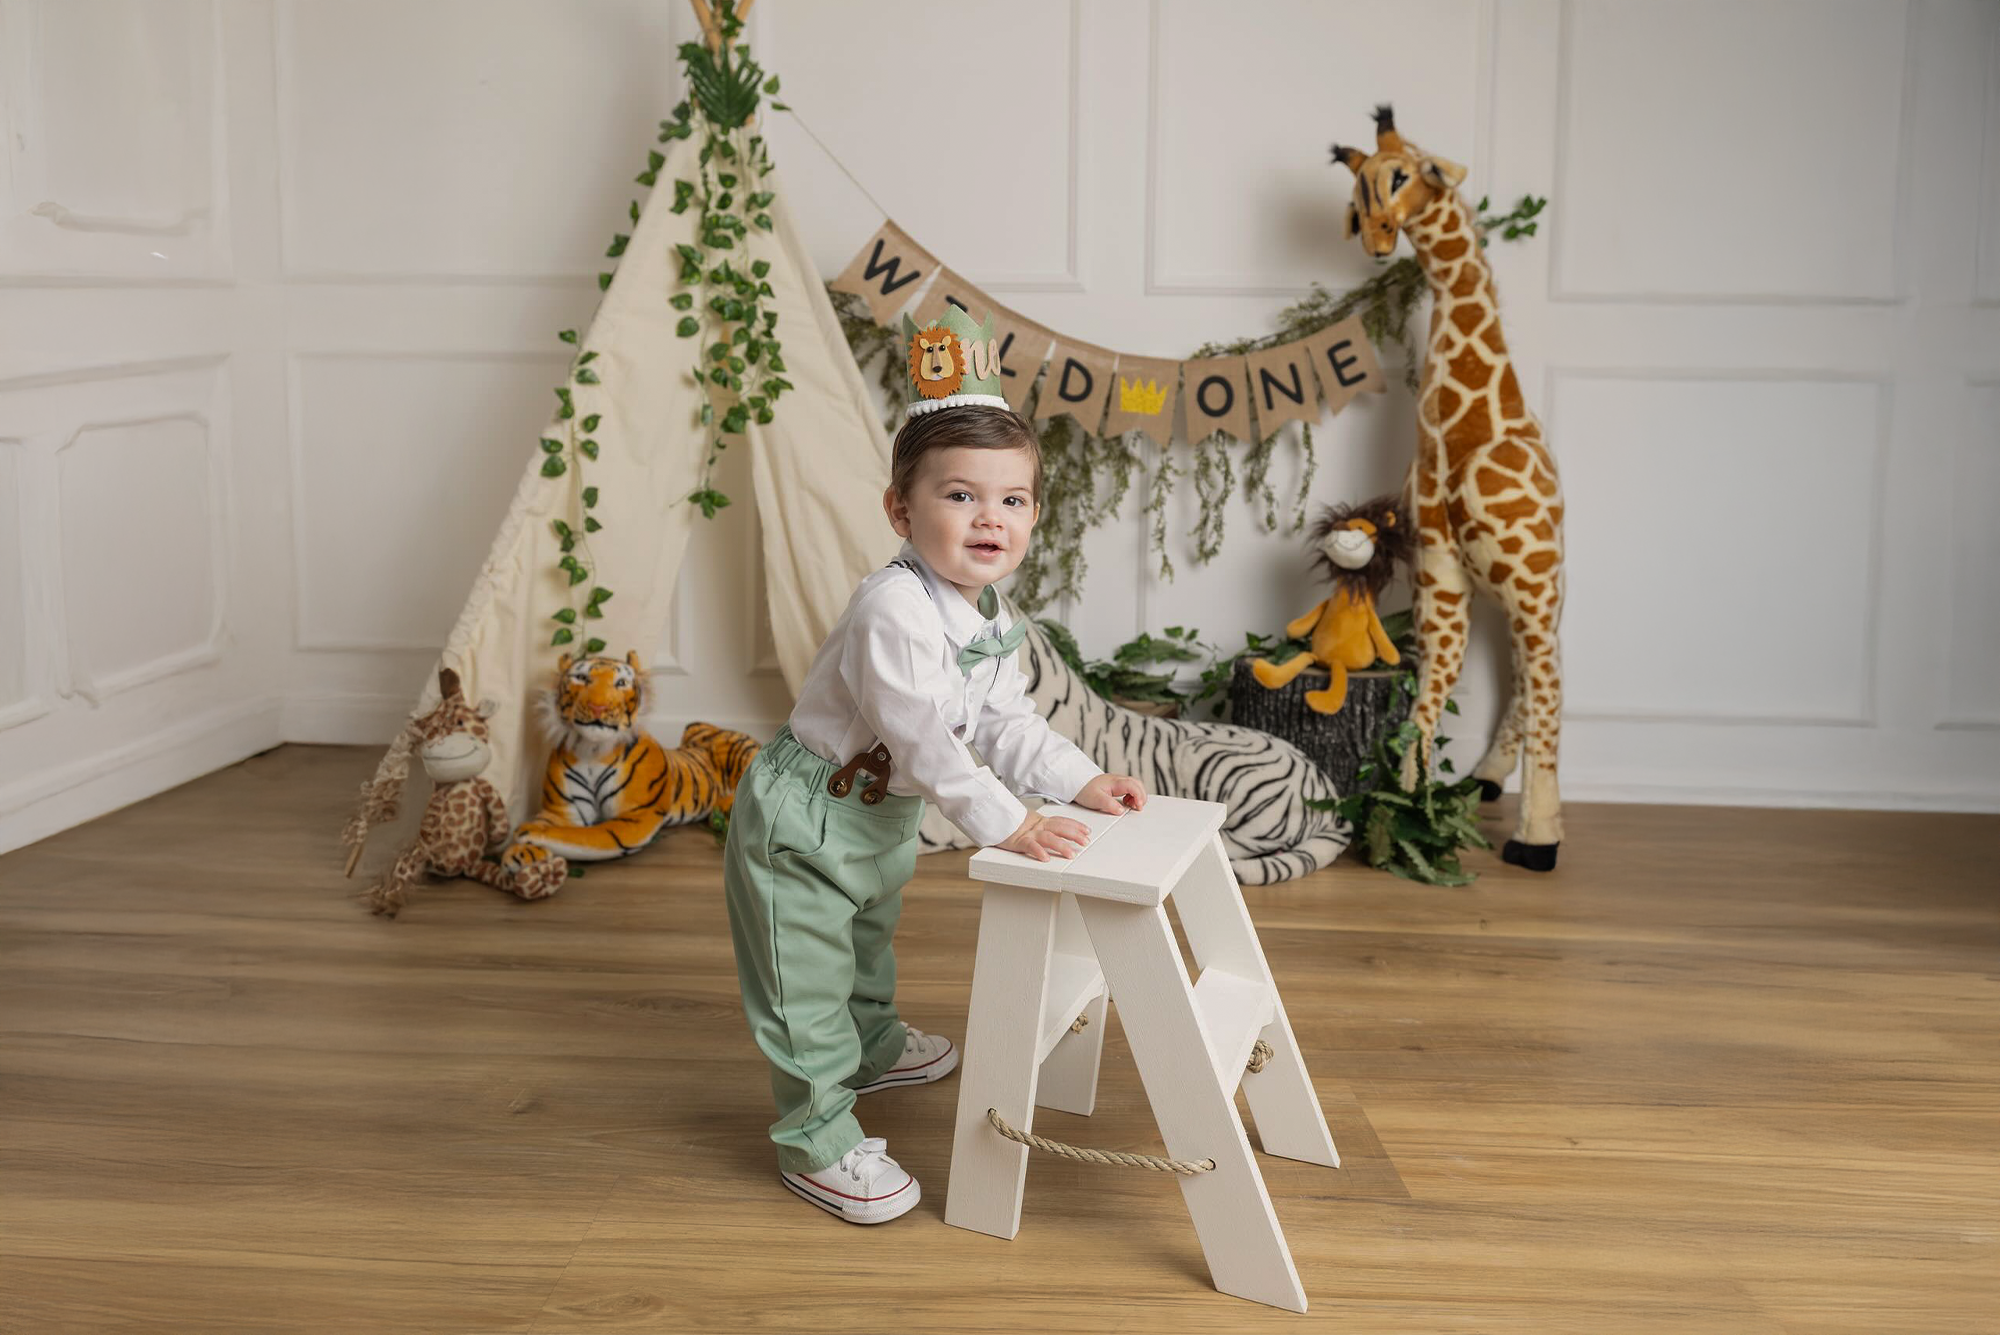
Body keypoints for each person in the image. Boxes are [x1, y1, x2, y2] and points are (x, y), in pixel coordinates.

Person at [722, 305, 1147, 1224]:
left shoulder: (991, 615)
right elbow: (920, 736)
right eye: (959, 496)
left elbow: (1004, 716)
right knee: (805, 982)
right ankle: (817, 1135)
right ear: (900, 508)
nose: (989, 519)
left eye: (1012, 500)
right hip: (806, 814)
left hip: (878, 817)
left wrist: (1074, 779)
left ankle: (873, 1046)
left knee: (868, 939)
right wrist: (1012, 821)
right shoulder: (894, 609)